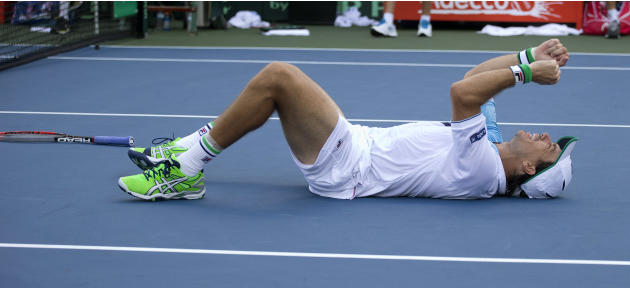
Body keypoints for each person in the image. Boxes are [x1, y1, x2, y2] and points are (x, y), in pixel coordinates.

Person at [118, 38, 576, 201]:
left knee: (280, 78)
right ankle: (186, 153)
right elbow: (475, 78)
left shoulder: (483, 169)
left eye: (549, 146)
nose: (544, 135)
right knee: (279, 82)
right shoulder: (491, 148)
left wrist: (524, 74)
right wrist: (527, 55)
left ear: (529, 169)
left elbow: (462, 93)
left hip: (349, 167)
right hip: (355, 148)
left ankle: (185, 170)